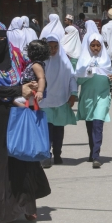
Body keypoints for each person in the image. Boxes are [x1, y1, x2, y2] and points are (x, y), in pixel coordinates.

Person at [0, 21, 51, 223]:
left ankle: (28, 206)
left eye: (0, 38)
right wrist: (18, 90)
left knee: (24, 159)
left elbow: (33, 70)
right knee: (3, 162)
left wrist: (34, 85)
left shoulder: (16, 55)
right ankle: (7, 212)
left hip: (19, 113)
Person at [39, 26, 78, 168]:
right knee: (47, 129)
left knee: (59, 130)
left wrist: (73, 95)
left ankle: (57, 154)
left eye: (55, 47)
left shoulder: (64, 61)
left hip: (61, 100)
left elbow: (72, 78)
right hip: (45, 100)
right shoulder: (41, 62)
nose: (53, 50)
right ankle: (46, 155)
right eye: (50, 47)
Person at [75, 30, 112, 169]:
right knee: (90, 126)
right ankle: (92, 151)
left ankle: (97, 156)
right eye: (93, 45)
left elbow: (111, 78)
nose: (96, 48)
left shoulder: (106, 60)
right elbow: (77, 79)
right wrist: (85, 72)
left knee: (98, 125)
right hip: (88, 98)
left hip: (102, 97)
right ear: (88, 46)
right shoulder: (83, 61)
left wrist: (111, 79)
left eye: (98, 45)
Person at [12, 40, 48, 107]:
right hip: (30, 92)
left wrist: (40, 91)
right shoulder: (33, 64)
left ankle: (25, 109)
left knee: (15, 101)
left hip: (32, 93)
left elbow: (41, 78)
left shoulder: (36, 65)